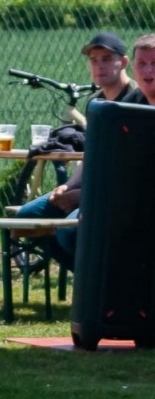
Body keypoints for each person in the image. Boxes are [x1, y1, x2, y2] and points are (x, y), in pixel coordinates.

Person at [16, 32, 153, 271]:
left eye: (107, 59)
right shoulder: (112, 103)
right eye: (143, 63)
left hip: (126, 200)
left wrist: (85, 196)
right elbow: (94, 154)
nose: (148, 71)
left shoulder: (129, 102)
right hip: (101, 192)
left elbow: (135, 179)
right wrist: (70, 186)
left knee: (71, 233)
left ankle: (105, 289)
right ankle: (91, 287)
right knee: (27, 219)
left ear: (122, 63)